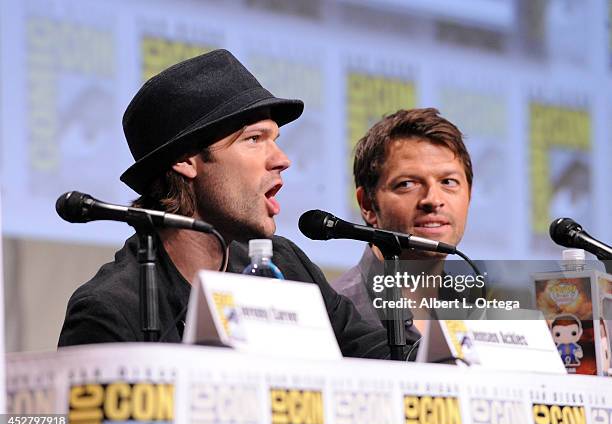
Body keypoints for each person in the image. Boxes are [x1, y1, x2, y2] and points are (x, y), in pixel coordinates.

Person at [58, 49, 390, 359]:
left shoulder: (285, 266)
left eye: (276, 140)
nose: (283, 160)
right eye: (254, 139)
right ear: (186, 161)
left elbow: (384, 359)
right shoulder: (110, 309)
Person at [332, 108, 473, 344]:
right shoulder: (334, 314)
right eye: (407, 184)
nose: (433, 199)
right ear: (367, 204)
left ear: (469, 195)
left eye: (448, 182)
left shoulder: (480, 320)